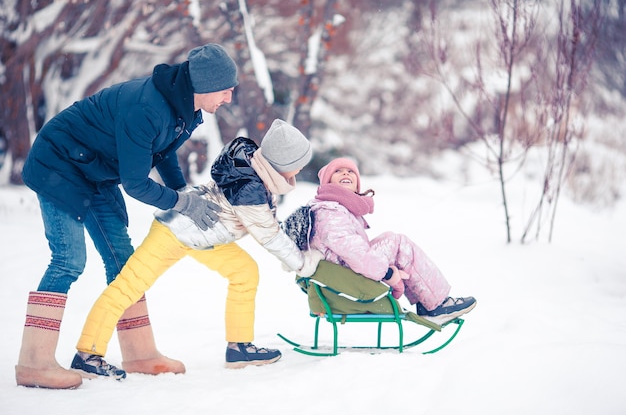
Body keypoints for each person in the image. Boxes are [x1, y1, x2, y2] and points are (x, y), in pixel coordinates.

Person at [16, 43, 238, 389]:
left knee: (123, 259)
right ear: (205, 85)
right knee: (68, 260)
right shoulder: (146, 107)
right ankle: (34, 363)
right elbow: (136, 184)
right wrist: (182, 204)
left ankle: (139, 354)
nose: (229, 98)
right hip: (59, 163)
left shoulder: (184, 107)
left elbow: (161, 152)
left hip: (95, 169)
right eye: (226, 90)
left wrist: (184, 194)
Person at [70, 119, 322, 379]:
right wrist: (302, 263)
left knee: (244, 271)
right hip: (174, 232)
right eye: (298, 165)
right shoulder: (250, 188)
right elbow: (269, 235)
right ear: (283, 164)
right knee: (127, 287)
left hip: (204, 236)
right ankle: (87, 355)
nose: (300, 171)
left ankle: (239, 348)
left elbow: (266, 223)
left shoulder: (252, 169)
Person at [306, 157, 476, 325]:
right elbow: (355, 254)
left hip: (344, 268)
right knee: (400, 245)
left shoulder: (337, 208)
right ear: (327, 181)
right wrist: (387, 273)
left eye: (351, 171)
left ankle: (428, 302)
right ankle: (436, 304)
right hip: (346, 274)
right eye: (338, 171)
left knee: (392, 239)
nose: (346, 173)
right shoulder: (330, 212)